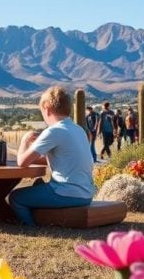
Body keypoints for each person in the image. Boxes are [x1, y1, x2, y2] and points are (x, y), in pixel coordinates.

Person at [10, 86, 95, 226]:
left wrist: (25, 141)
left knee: (16, 197)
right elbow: (65, 159)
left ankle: (30, 228)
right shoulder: (78, 129)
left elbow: (22, 162)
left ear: (47, 108)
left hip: (67, 193)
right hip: (86, 194)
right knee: (38, 185)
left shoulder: (53, 131)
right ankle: (43, 219)